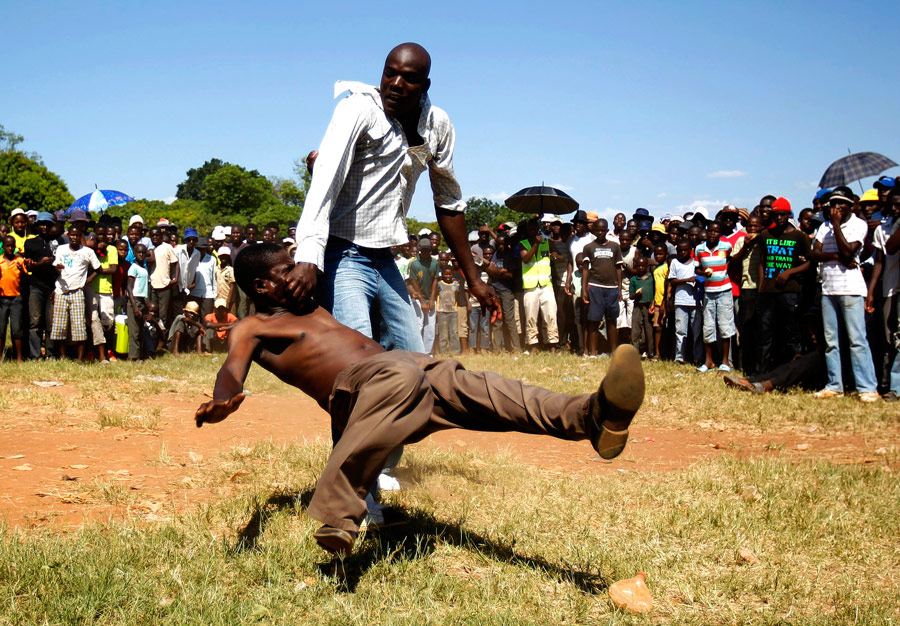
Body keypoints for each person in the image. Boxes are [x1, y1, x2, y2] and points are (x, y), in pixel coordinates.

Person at [195, 244, 645, 556]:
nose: (298, 272)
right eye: (286, 270)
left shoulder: (314, 301)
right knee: (403, 368)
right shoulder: (253, 327)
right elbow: (231, 369)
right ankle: (339, 513)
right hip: (361, 391)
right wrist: (223, 399)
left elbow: (336, 231)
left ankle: (590, 416)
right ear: (263, 286)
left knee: (479, 386)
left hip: (403, 374)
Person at [289, 42, 497, 357]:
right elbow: (325, 182)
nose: (396, 85)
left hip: (384, 258)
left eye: (409, 79)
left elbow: (448, 203)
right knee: (358, 356)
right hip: (342, 252)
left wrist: (474, 279)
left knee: (414, 359)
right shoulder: (357, 109)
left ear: (425, 86)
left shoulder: (437, 124)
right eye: (390, 74)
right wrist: (308, 256)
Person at [812, 187, 879, 401]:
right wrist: (834, 255)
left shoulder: (858, 225)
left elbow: (849, 250)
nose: (836, 207)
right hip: (828, 288)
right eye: (833, 203)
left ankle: (867, 387)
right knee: (831, 340)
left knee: (857, 339)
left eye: (841, 203)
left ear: (851, 205)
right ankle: (835, 385)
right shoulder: (824, 226)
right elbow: (814, 254)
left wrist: (837, 226)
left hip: (851, 289)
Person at [756, 197, 811, 371]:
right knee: (766, 332)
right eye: (776, 215)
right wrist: (760, 288)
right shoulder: (766, 235)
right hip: (768, 291)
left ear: (788, 215)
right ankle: (763, 370)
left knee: (790, 331)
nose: (779, 218)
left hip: (789, 290)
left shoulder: (799, 236)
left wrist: (790, 272)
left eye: (782, 214)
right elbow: (762, 263)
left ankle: (789, 369)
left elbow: (810, 262)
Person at [51, 226, 100, 362]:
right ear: (68, 236)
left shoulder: (87, 252)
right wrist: (57, 268)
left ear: (81, 237)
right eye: (71, 235)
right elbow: (55, 264)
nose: (74, 237)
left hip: (77, 291)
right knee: (60, 326)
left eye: (77, 235)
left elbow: (98, 269)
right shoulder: (61, 249)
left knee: (79, 326)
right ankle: (63, 356)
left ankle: (80, 358)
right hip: (61, 290)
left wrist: (86, 281)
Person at [694, 221, 735, 372]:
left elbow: (731, 261)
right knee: (708, 326)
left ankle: (725, 362)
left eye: (716, 231)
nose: (712, 234)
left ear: (720, 233)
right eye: (710, 231)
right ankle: (709, 361)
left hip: (724, 290)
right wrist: (703, 273)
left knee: (725, 325)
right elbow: (697, 269)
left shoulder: (726, 247)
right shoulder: (700, 249)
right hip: (708, 292)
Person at [580, 219, 624, 357]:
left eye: (602, 230)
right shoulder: (589, 247)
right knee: (594, 320)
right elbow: (586, 269)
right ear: (594, 231)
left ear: (606, 230)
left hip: (612, 288)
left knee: (612, 321)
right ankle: (593, 352)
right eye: (597, 230)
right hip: (595, 287)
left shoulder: (615, 247)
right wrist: (584, 289)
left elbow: (618, 268)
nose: (600, 232)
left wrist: (620, 288)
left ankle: (613, 352)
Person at [23, 212, 60, 359]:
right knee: (35, 322)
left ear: (52, 226)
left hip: (53, 287)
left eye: (47, 224)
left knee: (51, 323)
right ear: (37, 225)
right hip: (36, 286)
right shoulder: (30, 243)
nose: (44, 227)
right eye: (41, 224)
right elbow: (28, 267)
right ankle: (35, 355)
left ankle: (51, 354)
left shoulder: (59, 242)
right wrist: (40, 263)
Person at [520, 217, 558, 352]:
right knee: (531, 317)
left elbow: (559, 256)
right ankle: (533, 344)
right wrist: (536, 244)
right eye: (529, 228)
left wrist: (556, 256)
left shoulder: (547, 242)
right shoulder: (523, 243)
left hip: (546, 285)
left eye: (534, 228)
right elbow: (526, 258)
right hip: (530, 287)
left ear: (538, 229)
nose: (532, 230)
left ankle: (552, 343)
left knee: (550, 314)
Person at [408, 238, 439, 354]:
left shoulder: (434, 263)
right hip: (417, 299)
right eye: (424, 250)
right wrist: (422, 301)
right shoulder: (414, 264)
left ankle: (428, 353)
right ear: (420, 250)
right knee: (419, 326)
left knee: (430, 328)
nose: (426, 252)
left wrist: (431, 300)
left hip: (430, 298)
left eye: (428, 250)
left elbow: (435, 281)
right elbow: (413, 282)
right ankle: (418, 352)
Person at [0, 235, 27, 361]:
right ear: (3, 246)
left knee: (17, 329)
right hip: (2, 299)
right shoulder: (0, 261)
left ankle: (19, 357)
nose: (10, 248)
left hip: (16, 298)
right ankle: (1, 356)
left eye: (12, 246)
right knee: (1, 329)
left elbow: (27, 278)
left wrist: (22, 270)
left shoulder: (19, 261)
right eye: (7, 246)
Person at [147, 227, 179, 329]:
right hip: (153, 285)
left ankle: (162, 337)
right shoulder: (150, 249)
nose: (155, 237)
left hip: (165, 285)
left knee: (163, 315)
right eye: (152, 236)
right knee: (153, 313)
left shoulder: (167, 247)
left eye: (157, 235)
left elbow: (175, 263)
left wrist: (175, 279)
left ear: (161, 236)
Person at [126, 244, 150, 361]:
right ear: (134, 254)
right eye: (139, 253)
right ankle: (133, 357)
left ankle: (140, 355)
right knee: (134, 331)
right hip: (134, 300)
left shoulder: (144, 268)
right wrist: (134, 306)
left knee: (141, 330)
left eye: (143, 253)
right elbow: (129, 288)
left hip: (142, 300)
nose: (141, 255)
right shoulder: (133, 268)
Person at [629, 255, 654, 359]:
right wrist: (636, 295)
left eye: (643, 266)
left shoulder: (651, 277)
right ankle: (635, 353)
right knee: (635, 330)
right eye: (638, 266)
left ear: (647, 266)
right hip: (638, 306)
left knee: (649, 331)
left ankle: (650, 353)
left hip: (648, 306)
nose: (640, 268)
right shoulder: (634, 279)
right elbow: (631, 296)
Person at [435, 266, 460, 354]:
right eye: (446, 274)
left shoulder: (456, 284)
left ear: (452, 274)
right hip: (442, 311)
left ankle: (455, 351)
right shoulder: (439, 284)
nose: (448, 276)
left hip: (453, 311)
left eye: (450, 274)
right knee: (443, 334)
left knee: (454, 332)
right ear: (442, 274)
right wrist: (437, 310)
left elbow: (456, 296)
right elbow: (437, 297)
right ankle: (444, 352)